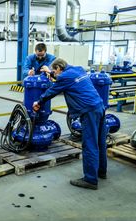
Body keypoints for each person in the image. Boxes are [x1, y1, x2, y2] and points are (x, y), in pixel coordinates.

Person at [33, 58, 108, 190]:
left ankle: (90, 180)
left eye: (54, 72)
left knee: (89, 144)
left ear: (58, 69)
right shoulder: (78, 69)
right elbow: (64, 78)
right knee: (100, 142)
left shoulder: (63, 77)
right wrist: (50, 73)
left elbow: (51, 92)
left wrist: (38, 102)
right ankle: (101, 172)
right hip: (100, 106)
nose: (54, 75)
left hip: (88, 110)